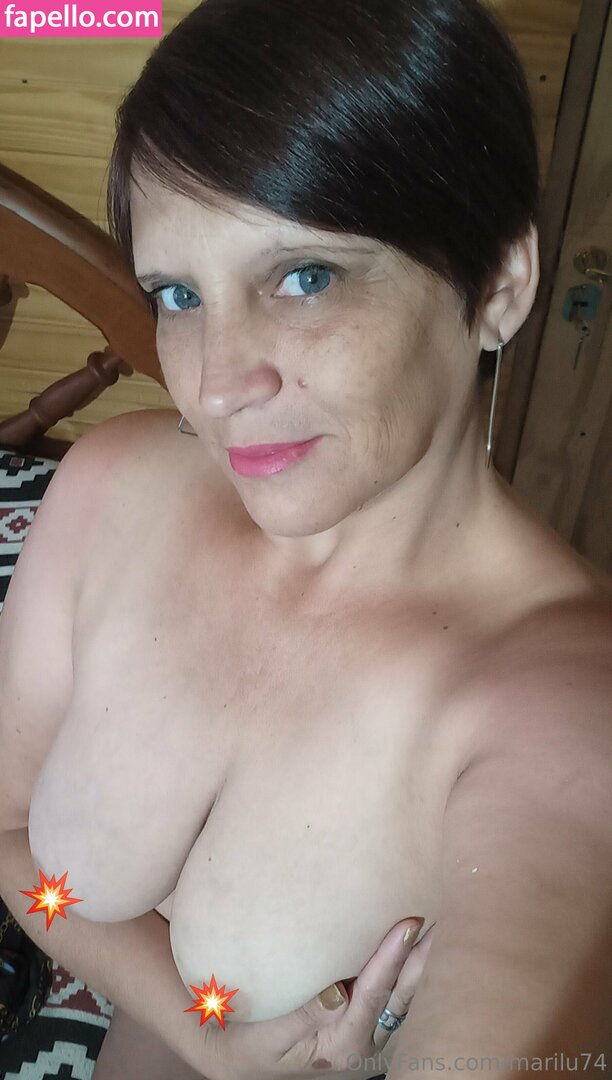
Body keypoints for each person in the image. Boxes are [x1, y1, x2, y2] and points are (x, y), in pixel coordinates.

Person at [1, 0, 612, 1076]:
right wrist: (206, 1035)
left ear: (499, 288)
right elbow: (8, 834)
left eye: (305, 277)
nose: (216, 385)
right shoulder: (108, 488)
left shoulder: (566, 710)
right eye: (178, 294)